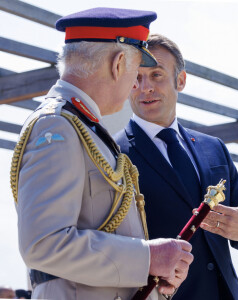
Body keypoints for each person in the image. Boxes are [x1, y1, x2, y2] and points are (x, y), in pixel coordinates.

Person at [11, 10, 194, 300]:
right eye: (136, 71)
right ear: (119, 64)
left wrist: (151, 273)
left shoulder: (82, 127)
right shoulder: (56, 126)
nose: (136, 85)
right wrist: (147, 258)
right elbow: (43, 244)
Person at [115, 34, 238, 300]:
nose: (145, 88)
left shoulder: (214, 149)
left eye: (156, 75)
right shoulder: (114, 154)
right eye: (136, 78)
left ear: (181, 80)